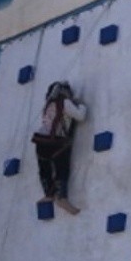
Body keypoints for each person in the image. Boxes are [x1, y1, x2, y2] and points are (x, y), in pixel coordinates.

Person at [31, 81, 87, 215]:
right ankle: (62, 197)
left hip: (40, 141)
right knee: (62, 169)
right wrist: (81, 105)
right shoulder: (65, 102)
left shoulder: (48, 105)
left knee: (45, 170)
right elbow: (80, 116)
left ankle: (48, 194)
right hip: (55, 142)